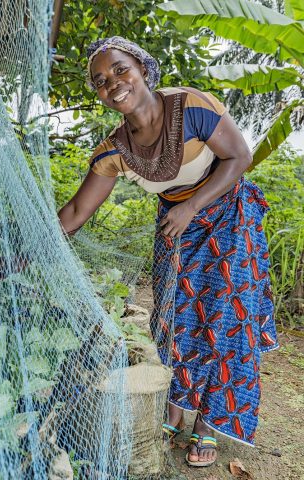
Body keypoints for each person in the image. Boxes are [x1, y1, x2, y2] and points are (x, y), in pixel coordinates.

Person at [58, 36, 278, 467]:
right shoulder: (115, 150)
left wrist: (193, 206)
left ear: (141, 68)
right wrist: (24, 249)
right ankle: (176, 406)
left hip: (228, 217)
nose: (113, 84)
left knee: (224, 317)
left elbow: (239, 157)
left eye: (120, 69)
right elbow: (76, 211)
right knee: (173, 317)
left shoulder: (189, 106)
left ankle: (208, 425)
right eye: (101, 81)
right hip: (177, 227)